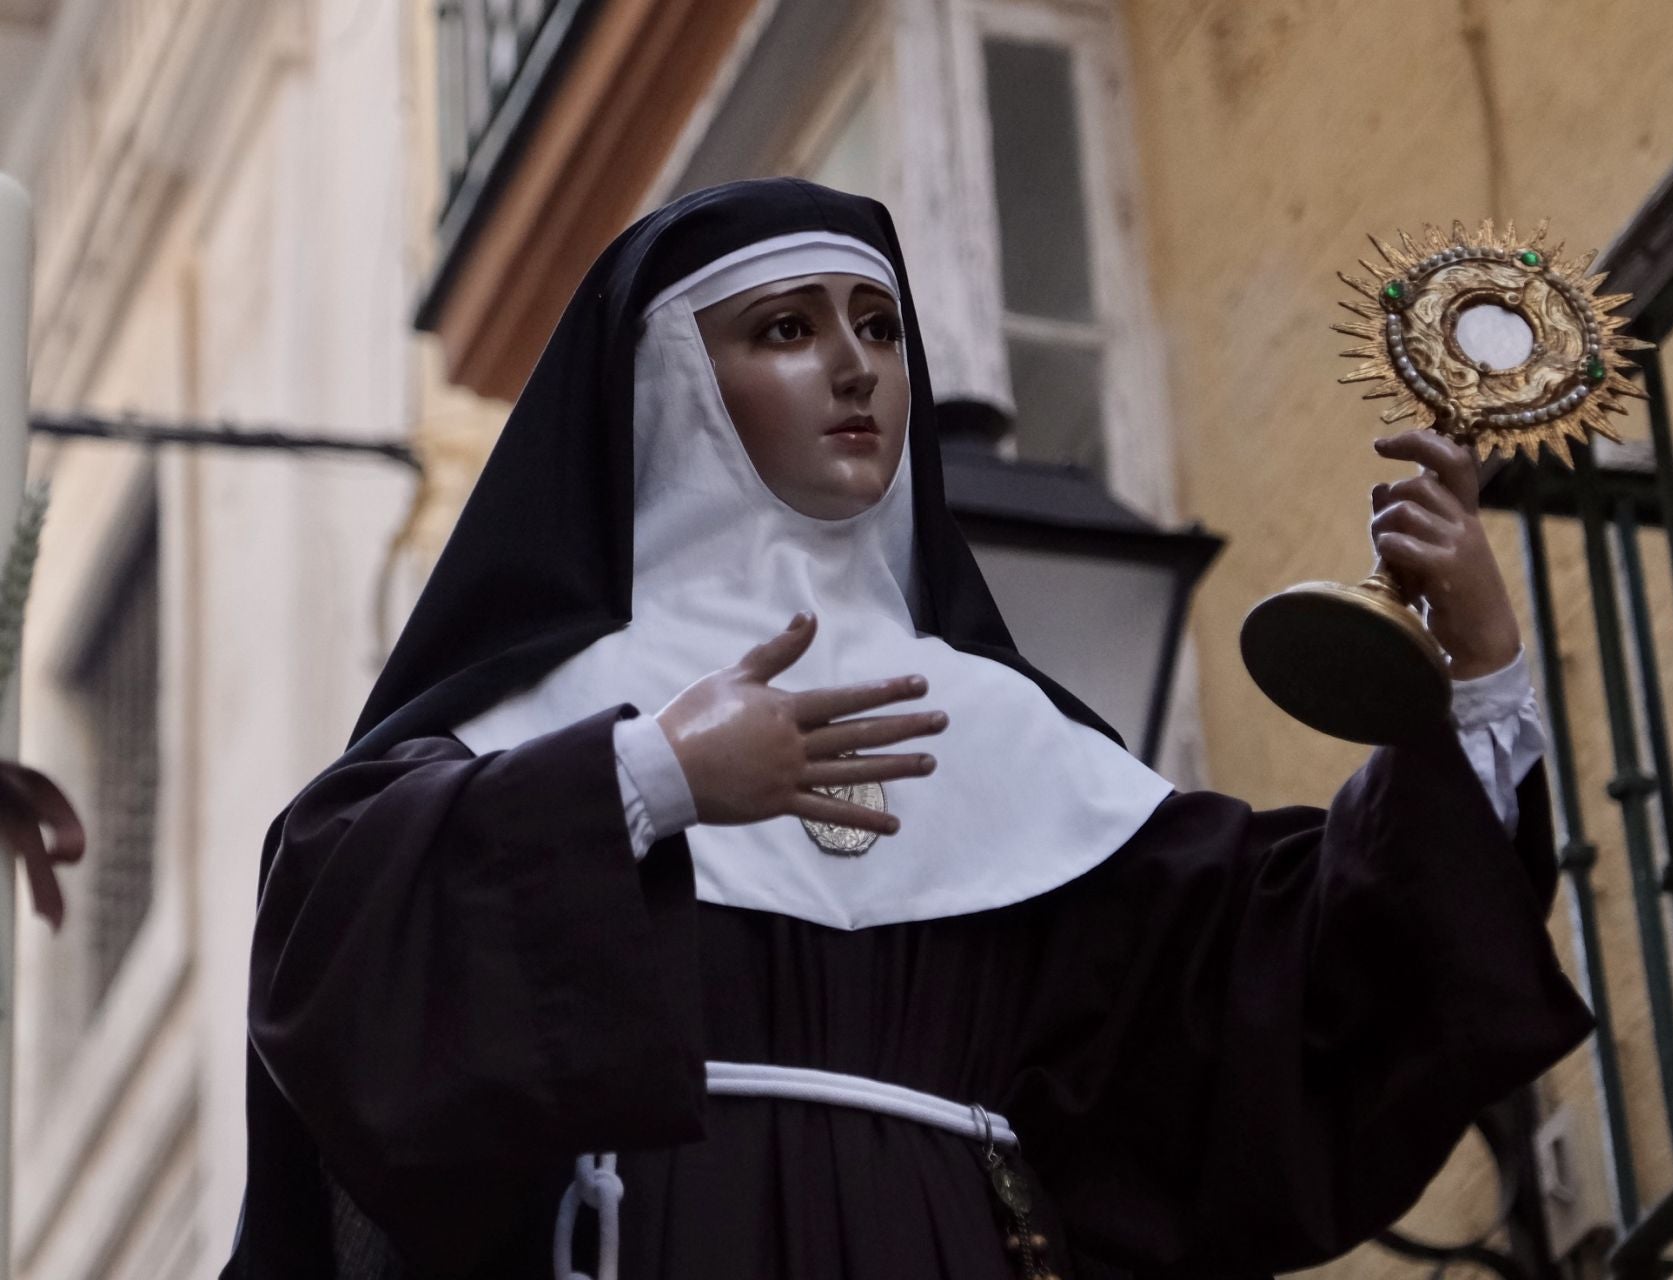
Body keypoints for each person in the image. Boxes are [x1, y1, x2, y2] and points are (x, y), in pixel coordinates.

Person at [221, 178, 1591, 1280]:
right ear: (670, 385)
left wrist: (1472, 677)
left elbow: (1294, 987)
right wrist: (652, 778)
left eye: (880, 327)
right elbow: (338, 937)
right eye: (785, 329)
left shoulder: (1001, 733)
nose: (855, 369)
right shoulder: (548, 715)